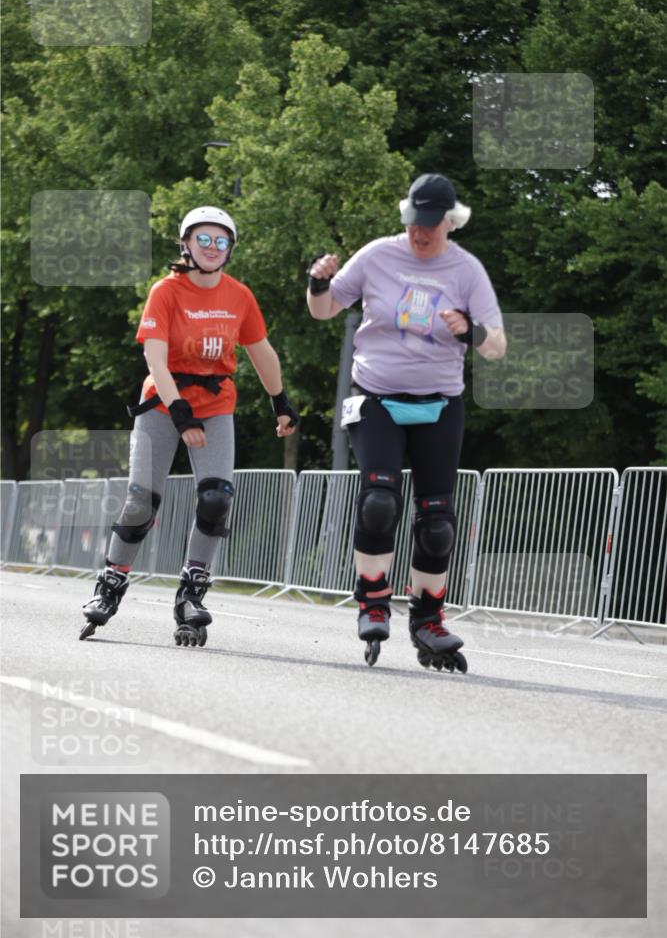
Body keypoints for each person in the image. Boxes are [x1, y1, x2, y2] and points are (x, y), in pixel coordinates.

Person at [306, 174, 505, 671]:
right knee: (379, 501)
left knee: (438, 524)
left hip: (440, 404)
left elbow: (497, 345)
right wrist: (317, 283)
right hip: (377, 397)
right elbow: (325, 310)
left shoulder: (467, 270)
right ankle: (374, 601)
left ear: (450, 223)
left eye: (431, 227)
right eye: (415, 225)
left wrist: (470, 330)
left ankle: (427, 619)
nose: (420, 235)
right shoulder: (377, 255)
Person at [80, 205, 298, 647]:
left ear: (230, 249)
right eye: (204, 239)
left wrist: (281, 401)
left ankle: (191, 594)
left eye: (221, 241)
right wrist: (180, 411)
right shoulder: (167, 291)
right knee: (142, 502)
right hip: (162, 403)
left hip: (216, 404)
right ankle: (110, 583)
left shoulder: (239, 295)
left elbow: (261, 351)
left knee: (216, 499)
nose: (212, 248)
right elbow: (154, 357)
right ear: (186, 244)